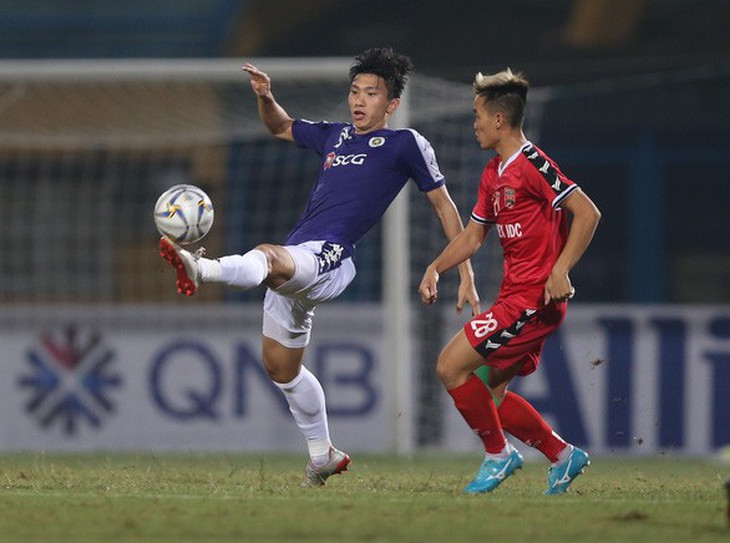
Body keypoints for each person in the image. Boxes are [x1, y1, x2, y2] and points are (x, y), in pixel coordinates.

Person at [160, 47, 479, 486]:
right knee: (281, 368)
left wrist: (463, 271)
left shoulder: (406, 143)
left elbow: (444, 208)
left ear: (391, 105)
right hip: (300, 257)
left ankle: (203, 269)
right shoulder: (335, 136)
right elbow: (281, 126)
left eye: (371, 93)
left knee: (268, 255)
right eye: (354, 91)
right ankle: (322, 453)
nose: (359, 101)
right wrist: (265, 97)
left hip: (332, 257)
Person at [419, 68, 601, 495]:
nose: (474, 123)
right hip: (515, 296)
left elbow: (588, 212)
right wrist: (436, 268)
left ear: (499, 119)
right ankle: (561, 454)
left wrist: (560, 270)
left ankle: (498, 457)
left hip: (533, 300)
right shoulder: (492, 173)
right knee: (491, 395)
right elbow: (473, 235)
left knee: (450, 365)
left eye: (478, 115)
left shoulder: (533, 164)